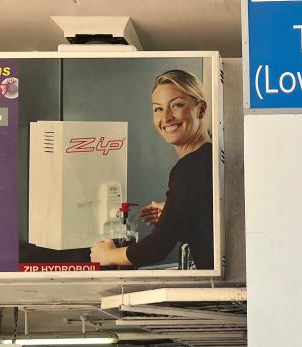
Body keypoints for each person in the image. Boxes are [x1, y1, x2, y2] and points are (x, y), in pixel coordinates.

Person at [91, 69, 213, 270]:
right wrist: (175, 212)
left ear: (200, 109)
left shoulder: (190, 167)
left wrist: (107, 255)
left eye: (177, 105)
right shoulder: (208, 157)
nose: (166, 117)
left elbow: (157, 248)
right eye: (158, 109)